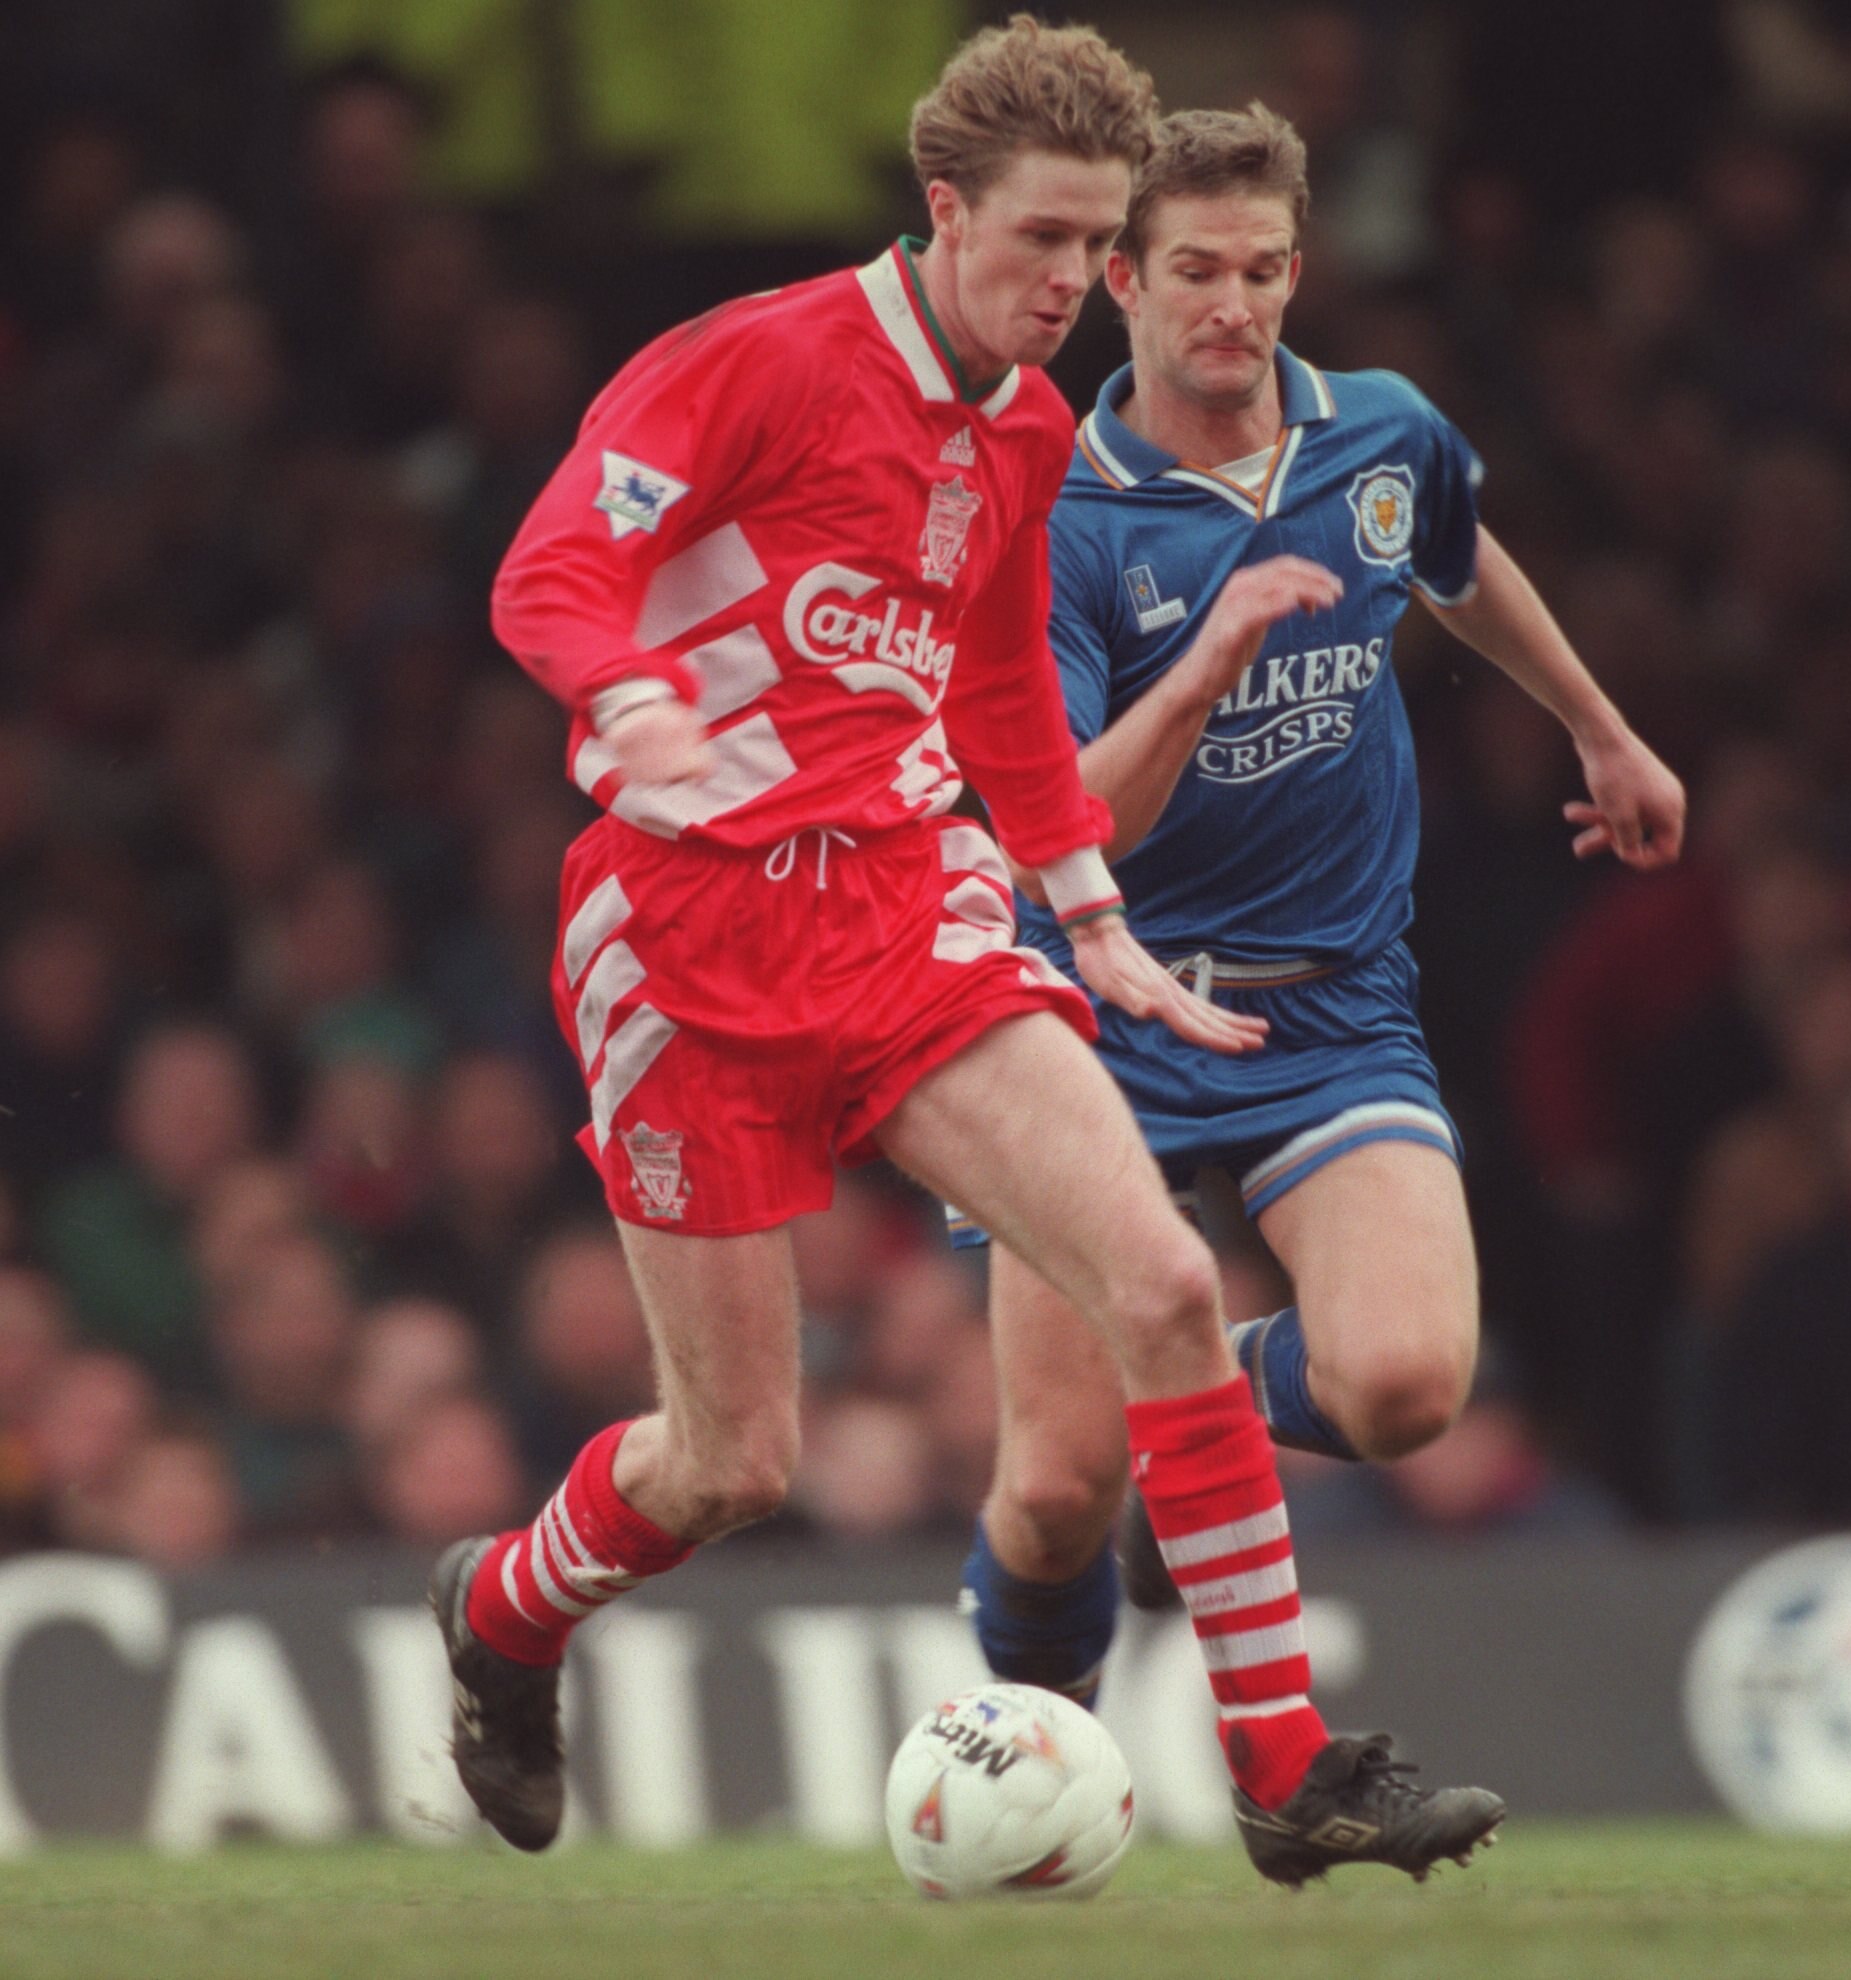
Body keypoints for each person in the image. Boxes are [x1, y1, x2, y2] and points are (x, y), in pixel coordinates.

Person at [430, 19, 1503, 1888]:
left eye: (1096, 245)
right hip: (685, 933)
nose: (1073, 284)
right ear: (944, 212)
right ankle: (507, 1614)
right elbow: (549, 572)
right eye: (1044, 240)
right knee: (732, 1464)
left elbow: (1003, 693)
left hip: (908, 905)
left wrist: (1092, 917)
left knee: (1164, 1287)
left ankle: (1290, 1775)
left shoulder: (1022, 434)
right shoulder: (758, 360)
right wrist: (628, 694)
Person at [949, 103, 1685, 1772]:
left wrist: (1597, 727)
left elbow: (1454, 557)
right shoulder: (1055, 511)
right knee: (1057, 1491)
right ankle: (1026, 1764)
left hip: (1328, 1002)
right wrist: (1204, 667)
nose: (1235, 304)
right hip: (1092, 1014)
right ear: (1124, 281)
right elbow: (1062, 828)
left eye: (1264, 270)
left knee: (1408, 1386)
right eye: (1196, 271)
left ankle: (1192, 1415)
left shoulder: (1383, 431)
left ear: (1298, 270)